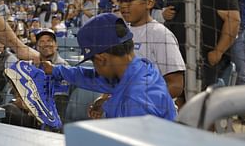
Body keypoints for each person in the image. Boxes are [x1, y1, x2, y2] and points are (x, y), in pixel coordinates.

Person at [41, 13, 176, 120]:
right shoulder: (138, 68)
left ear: (101, 59)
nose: (96, 69)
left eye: (94, 62)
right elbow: (88, 77)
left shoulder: (135, 102)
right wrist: (54, 69)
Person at [164, 0, 240, 90]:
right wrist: (166, 14)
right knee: (183, 95)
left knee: (205, 99)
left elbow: (233, 23)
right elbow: (174, 13)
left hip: (205, 59)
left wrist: (218, 52)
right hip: (184, 56)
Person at [107, 0, 185, 98]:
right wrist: (105, 98)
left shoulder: (160, 34)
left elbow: (176, 85)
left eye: (130, 0)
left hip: (153, 114)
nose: (123, 5)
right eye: (121, 0)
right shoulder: (122, 32)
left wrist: (142, 101)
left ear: (149, 3)